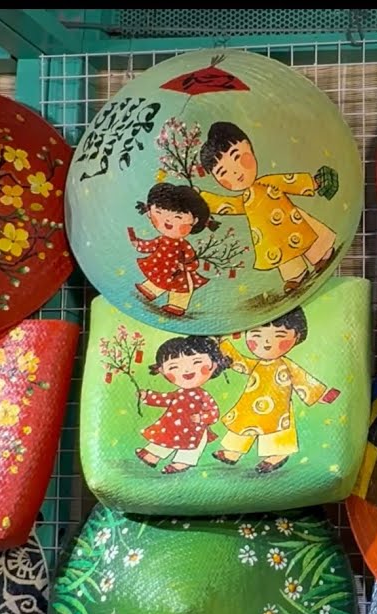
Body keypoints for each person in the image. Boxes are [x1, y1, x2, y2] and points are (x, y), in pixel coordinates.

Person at [197, 121, 340, 293]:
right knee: (282, 254)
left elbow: (289, 181)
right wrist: (202, 199)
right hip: (271, 236)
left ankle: (321, 255)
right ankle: (296, 275)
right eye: (223, 172)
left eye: (237, 157)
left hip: (291, 221)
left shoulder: (267, 183)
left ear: (249, 147)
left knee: (307, 236)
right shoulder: (245, 200)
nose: (235, 172)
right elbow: (229, 205)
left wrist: (313, 183)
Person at [211, 307, 339, 473]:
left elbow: (302, 379)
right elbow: (240, 363)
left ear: (296, 337)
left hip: (278, 407)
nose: (266, 342)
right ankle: (232, 453)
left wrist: (321, 394)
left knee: (277, 431)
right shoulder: (257, 364)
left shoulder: (286, 365)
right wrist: (223, 345)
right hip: (250, 405)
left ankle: (277, 455)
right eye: (256, 335)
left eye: (279, 336)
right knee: (242, 425)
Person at [135, 336, 229, 474]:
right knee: (165, 438)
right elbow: (165, 399)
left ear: (214, 365)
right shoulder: (178, 393)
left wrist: (202, 418)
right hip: (173, 425)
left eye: (197, 362)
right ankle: (152, 455)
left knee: (190, 449)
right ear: (162, 371)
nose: (186, 370)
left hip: (195, 429)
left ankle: (181, 463)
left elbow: (213, 412)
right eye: (174, 367)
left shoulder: (202, 395)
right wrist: (147, 396)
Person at [128, 183, 212, 316]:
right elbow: (151, 245)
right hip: (161, 265)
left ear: (194, 221)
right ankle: (150, 290)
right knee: (158, 277)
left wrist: (185, 267)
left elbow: (193, 261)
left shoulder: (183, 245)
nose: (168, 221)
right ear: (150, 212)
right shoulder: (162, 240)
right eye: (159, 213)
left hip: (178, 273)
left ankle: (177, 305)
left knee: (180, 289)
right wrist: (137, 243)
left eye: (178, 217)